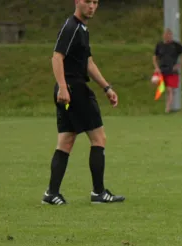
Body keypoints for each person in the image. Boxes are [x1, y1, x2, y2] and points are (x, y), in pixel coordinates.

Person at [42, 0, 125, 205]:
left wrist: (107, 87)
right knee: (99, 138)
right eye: (88, 1)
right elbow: (56, 57)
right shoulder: (71, 27)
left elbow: (88, 62)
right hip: (73, 90)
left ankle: (51, 194)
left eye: (96, 2)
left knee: (66, 141)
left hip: (69, 89)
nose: (92, 6)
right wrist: (63, 86)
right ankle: (98, 193)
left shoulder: (82, 29)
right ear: (77, 2)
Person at [153, 29, 182, 113]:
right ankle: (160, 90)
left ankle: (167, 108)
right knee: (154, 81)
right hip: (161, 70)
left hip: (171, 70)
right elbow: (154, 57)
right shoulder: (159, 45)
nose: (168, 37)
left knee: (169, 90)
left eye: (170, 35)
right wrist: (156, 67)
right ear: (164, 35)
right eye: (167, 35)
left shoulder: (175, 45)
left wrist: (179, 64)